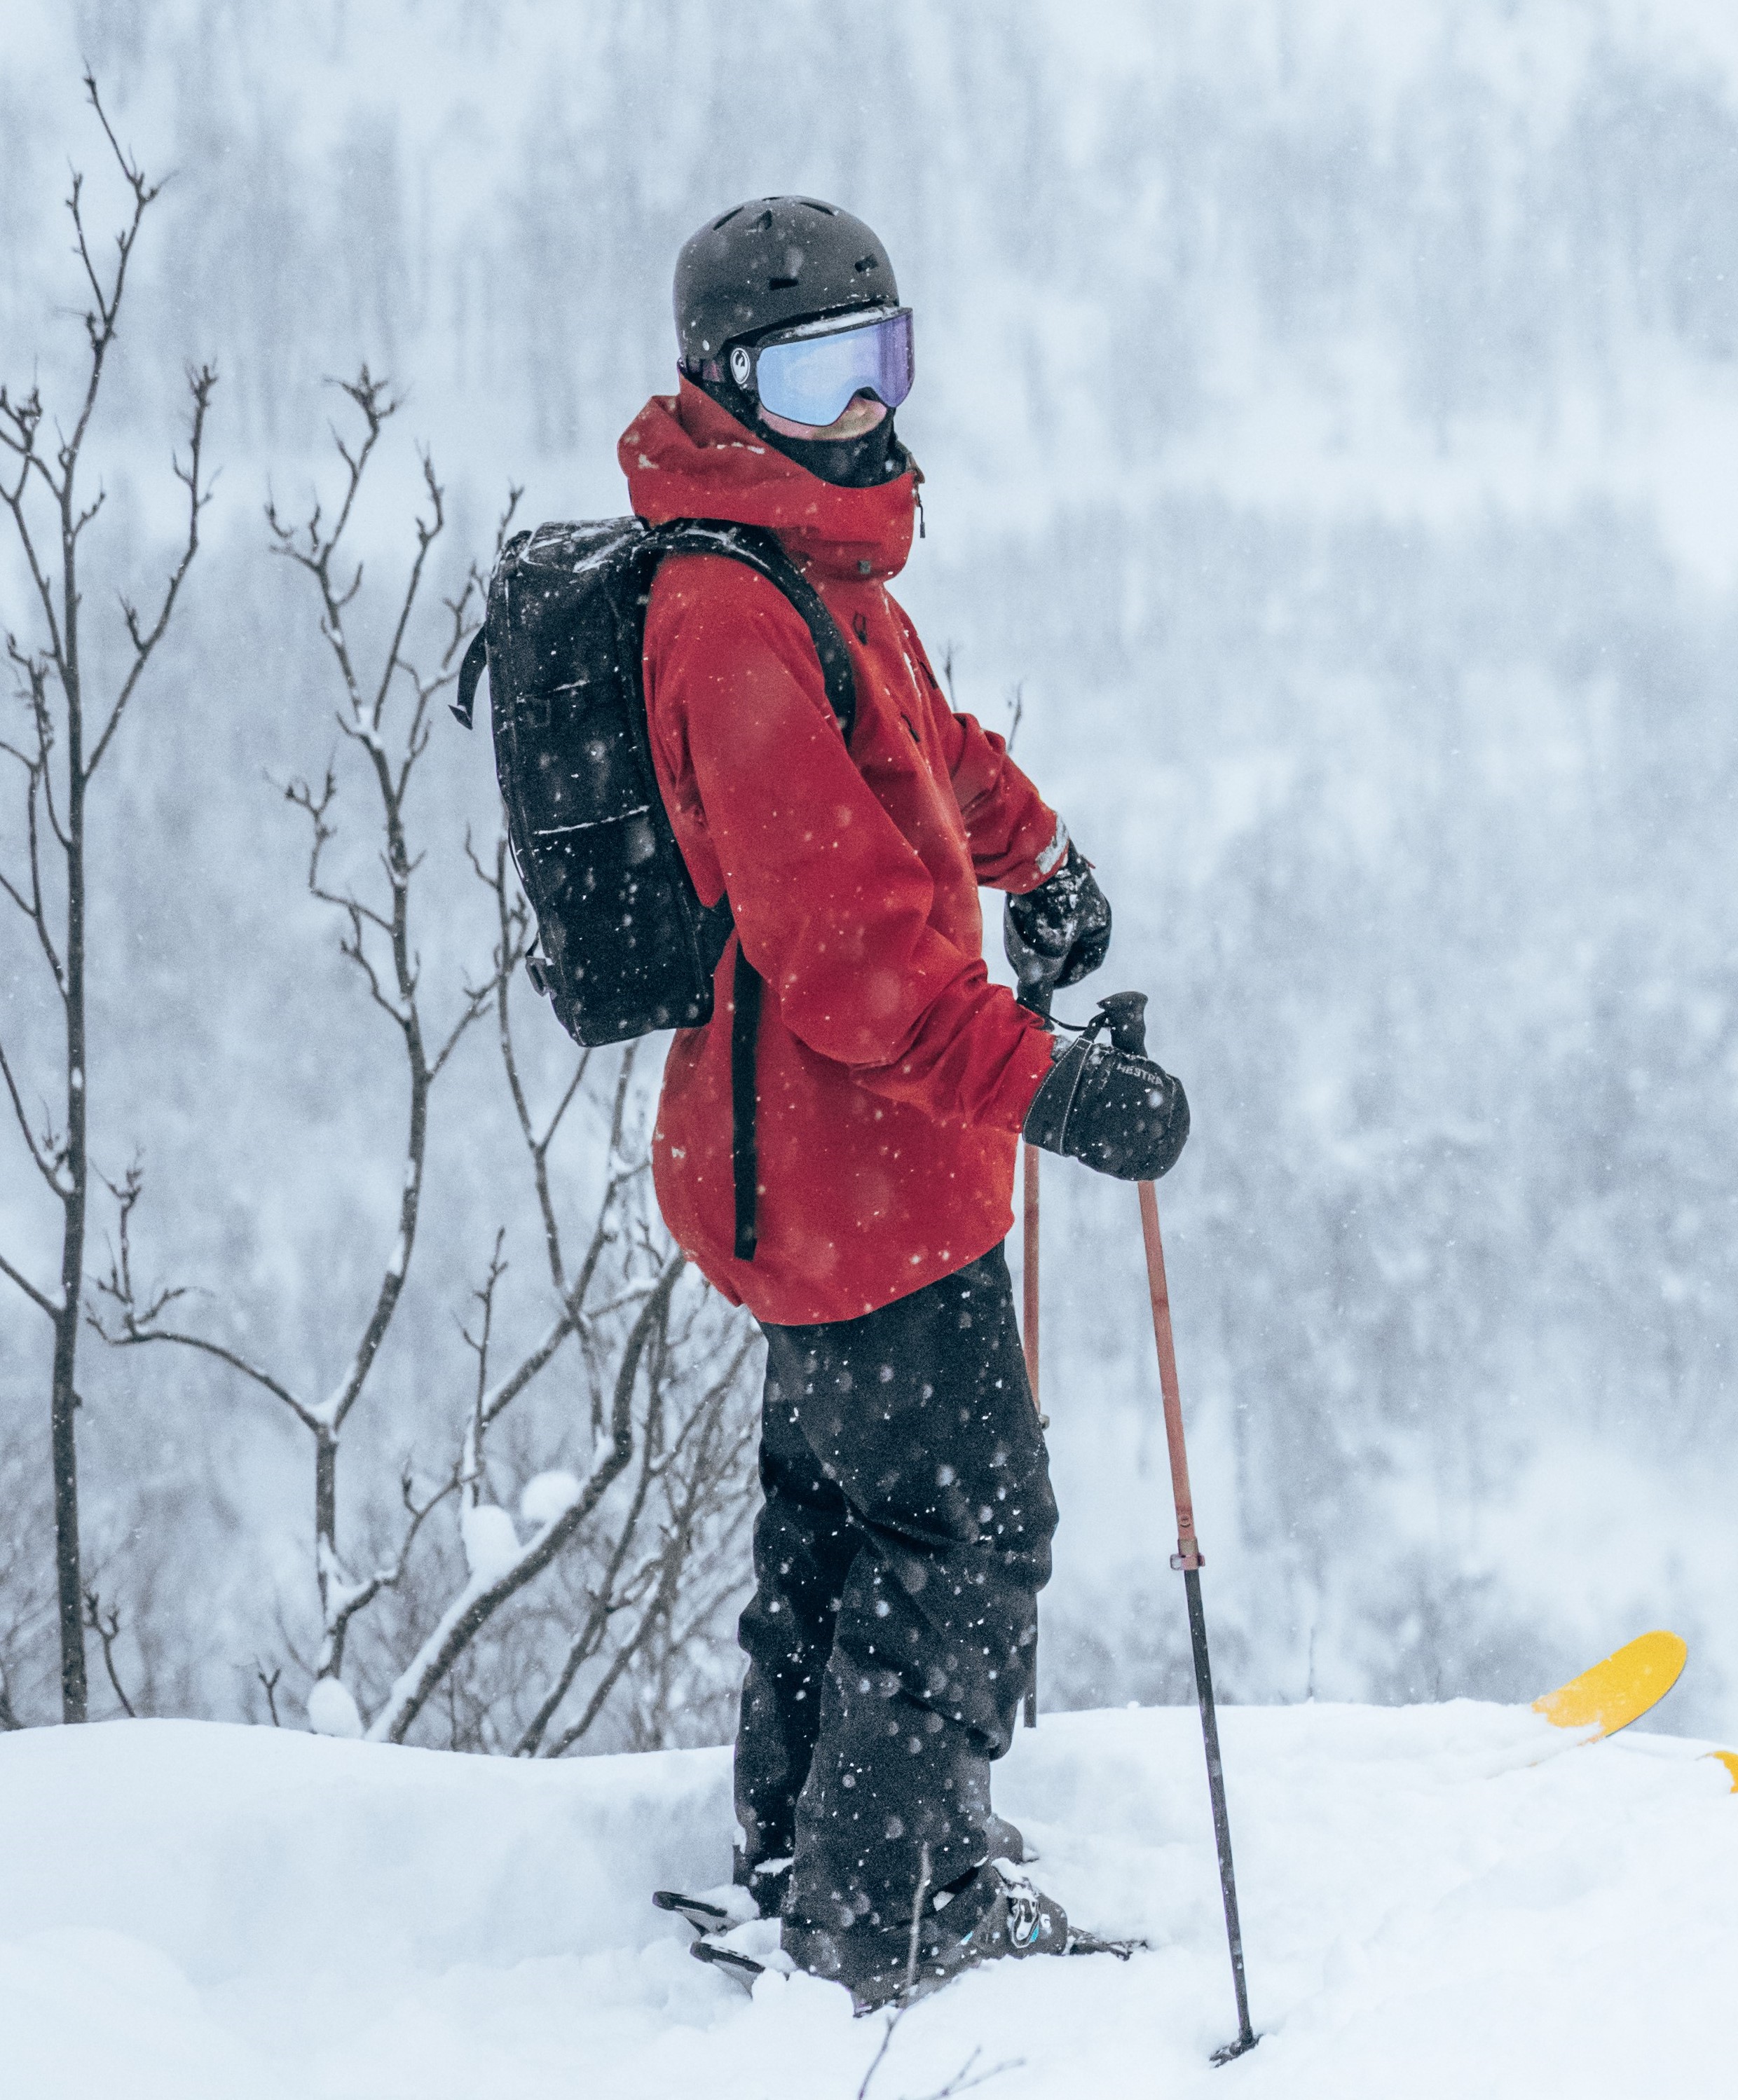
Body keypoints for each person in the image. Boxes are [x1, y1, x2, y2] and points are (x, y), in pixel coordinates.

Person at [624, 195, 1189, 2010]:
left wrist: (1041, 858)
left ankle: (813, 1844)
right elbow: (852, 955)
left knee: (848, 1503)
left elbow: (925, 747)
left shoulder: (812, 573)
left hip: (845, 1163)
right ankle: (892, 1906)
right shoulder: (727, 615)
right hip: (843, 1166)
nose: (863, 410)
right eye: (816, 374)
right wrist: (1059, 1095)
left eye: (884, 362)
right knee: (969, 1522)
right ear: (728, 385)